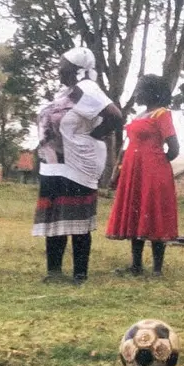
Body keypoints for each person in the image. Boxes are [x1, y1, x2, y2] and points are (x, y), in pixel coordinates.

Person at [32, 47, 123, 285]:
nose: (58, 67)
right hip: (54, 166)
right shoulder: (67, 92)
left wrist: (93, 135)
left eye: (62, 63)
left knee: (78, 221)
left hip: (76, 164)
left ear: (76, 68)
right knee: (55, 221)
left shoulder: (88, 89)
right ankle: (54, 271)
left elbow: (115, 116)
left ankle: (80, 274)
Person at [105, 74, 181, 277]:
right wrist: (118, 171)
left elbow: (173, 148)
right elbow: (127, 146)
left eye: (140, 89)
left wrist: (155, 162)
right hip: (134, 172)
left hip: (153, 172)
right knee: (136, 213)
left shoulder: (162, 114)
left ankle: (157, 269)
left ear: (151, 91)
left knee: (154, 213)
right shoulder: (139, 116)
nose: (137, 93)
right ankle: (136, 265)